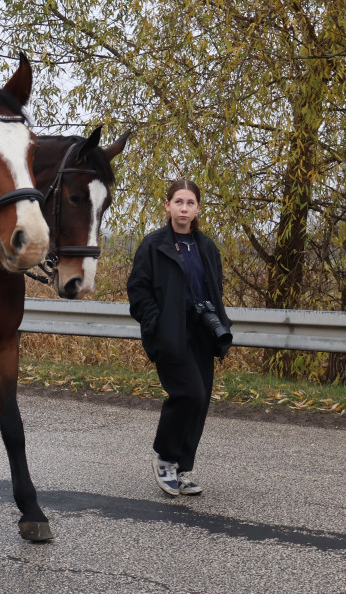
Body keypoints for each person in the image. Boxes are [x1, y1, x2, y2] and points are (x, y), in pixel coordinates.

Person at [127, 179, 233, 496]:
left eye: (190, 203)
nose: (184, 208)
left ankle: (183, 468)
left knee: (200, 402)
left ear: (198, 208)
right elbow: (138, 291)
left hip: (202, 332)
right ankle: (165, 457)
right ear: (168, 206)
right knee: (190, 394)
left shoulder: (206, 247)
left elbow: (216, 287)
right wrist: (157, 323)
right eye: (178, 202)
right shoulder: (153, 245)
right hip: (171, 334)